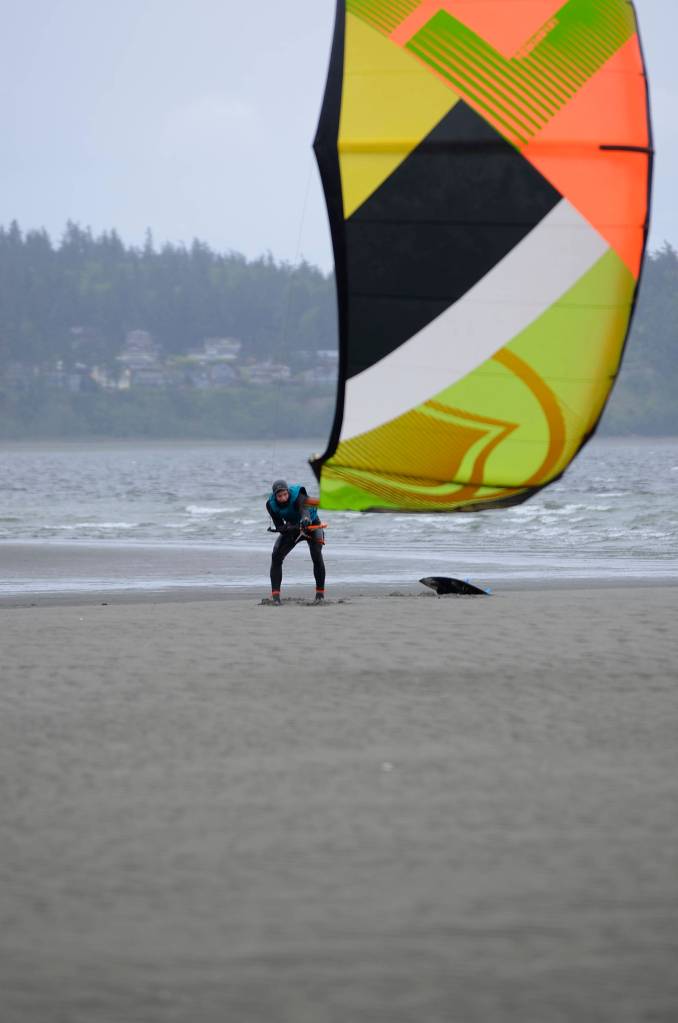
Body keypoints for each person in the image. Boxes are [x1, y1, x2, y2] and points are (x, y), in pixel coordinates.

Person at [266, 479, 325, 604]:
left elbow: (305, 511)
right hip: (293, 529)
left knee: (316, 555)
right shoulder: (271, 505)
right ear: (275, 496)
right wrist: (286, 528)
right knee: (276, 556)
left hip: (311, 526)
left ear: (288, 492)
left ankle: (320, 594)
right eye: (280, 496)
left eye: (285, 494)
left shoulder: (298, 496)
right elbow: (280, 527)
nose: (283, 498)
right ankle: (275, 597)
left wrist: (305, 519)